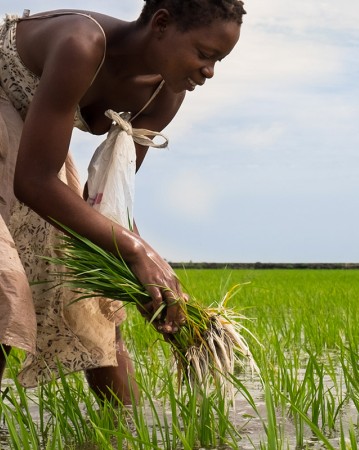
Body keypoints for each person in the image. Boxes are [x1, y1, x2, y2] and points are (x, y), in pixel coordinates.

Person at [0, 0, 245, 406]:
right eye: (204, 54)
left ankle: (125, 435)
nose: (209, 72)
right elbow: (34, 181)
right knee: (7, 283)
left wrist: (139, 279)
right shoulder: (81, 43)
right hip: (18, 134)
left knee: (100, 309)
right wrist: (135, 249)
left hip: (35, 143)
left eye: (218, 61)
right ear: (162, 24)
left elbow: (107, 202)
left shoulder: (164, 94)